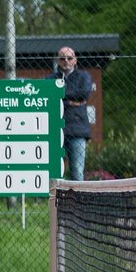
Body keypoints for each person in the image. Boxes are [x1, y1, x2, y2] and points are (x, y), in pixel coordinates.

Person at [50, 46, 95, 181]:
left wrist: (60, 96)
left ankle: (78, 201)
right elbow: (48, 96)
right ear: (58, 61)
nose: (66, 61)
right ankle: (55, 201)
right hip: (55, 130)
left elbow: (84, 94)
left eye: (69, 58)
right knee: (56, 171)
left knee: (77, 170)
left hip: (78, 130)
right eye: (62, 58)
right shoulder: (50, 78)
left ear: (75, 60)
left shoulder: (84, 76)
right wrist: (72, 100)